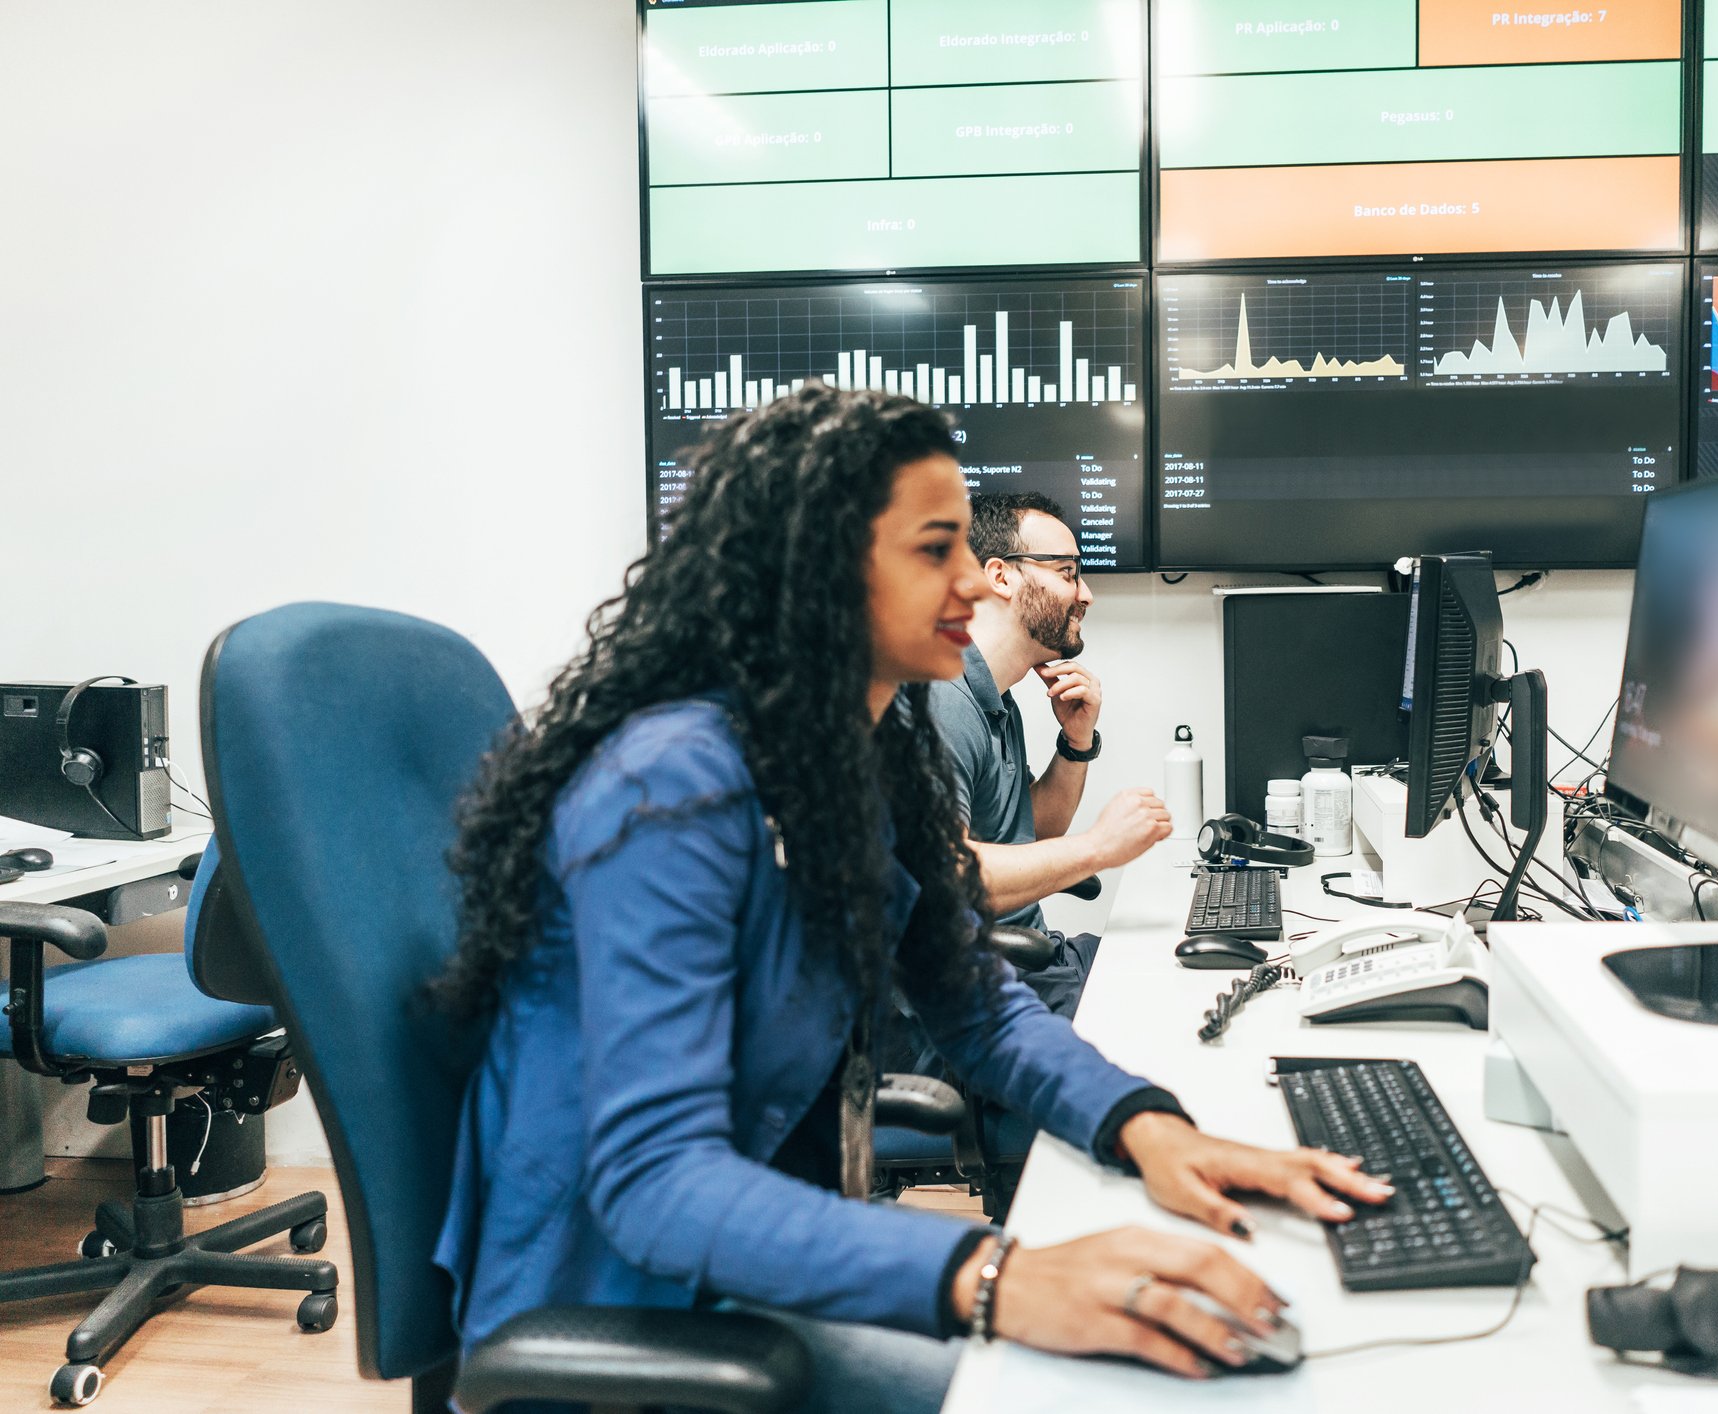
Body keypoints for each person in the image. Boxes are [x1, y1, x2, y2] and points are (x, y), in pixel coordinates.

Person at [430, 388, 1389, 1414]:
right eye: (937, 549)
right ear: (819, 570)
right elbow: (654, 1184)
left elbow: (969, 998)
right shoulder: (672, 786)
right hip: (630, 1303)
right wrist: (995, 1275)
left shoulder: (853, 753)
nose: (978, 581)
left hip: (765, 1256)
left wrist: (1141, 1123)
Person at [925, 492, 1168, 1019]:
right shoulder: (940, 700)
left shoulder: (994, 694)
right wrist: (1100, 847)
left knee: (1174, 969)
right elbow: (944, 877)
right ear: (1001, 575)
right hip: (989, 991)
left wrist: (1076, 743)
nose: (1085, 595)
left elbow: (1031, 829)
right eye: (1067, 572)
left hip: (1036, 961)